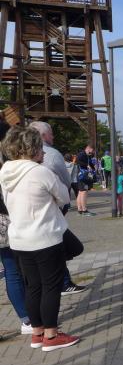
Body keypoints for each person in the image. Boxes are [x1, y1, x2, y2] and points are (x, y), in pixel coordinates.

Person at [0, 127, 78, 351]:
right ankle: (51, 336)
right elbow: (64, 196)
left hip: (19, 238)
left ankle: (37, 332)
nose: (44, 153)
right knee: (51, 286)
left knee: (33, 286)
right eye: (40, 148)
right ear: (32, 149)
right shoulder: (39, 172)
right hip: (44, 237)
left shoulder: (5, 171)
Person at [29, 121, 86, 295]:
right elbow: (65, 182)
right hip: (50, 206)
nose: (53, 136)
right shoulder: (52, 154)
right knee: (58, 242)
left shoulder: (10, 166)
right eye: (51, 133)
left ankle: (57, 281)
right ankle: (62, 282)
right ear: (43, 136)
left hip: (24, 219)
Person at [0, 120, 32, 335]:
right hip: (5, 219)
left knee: (12, 269)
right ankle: (27, 319)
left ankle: (26, 319)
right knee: (14, 269)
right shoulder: (7, 165)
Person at [75, 144, 95, 216]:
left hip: (83, 175)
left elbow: (90, 163)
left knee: (80, 192)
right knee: (84, 192)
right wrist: (86, 165)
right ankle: (84, 210)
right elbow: (77, 161)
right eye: (92, 150)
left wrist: (93, 168)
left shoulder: (87, 155)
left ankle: (80, 209)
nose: (92, 152)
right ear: (88, 148)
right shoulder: (82, 154)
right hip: (83, 176)